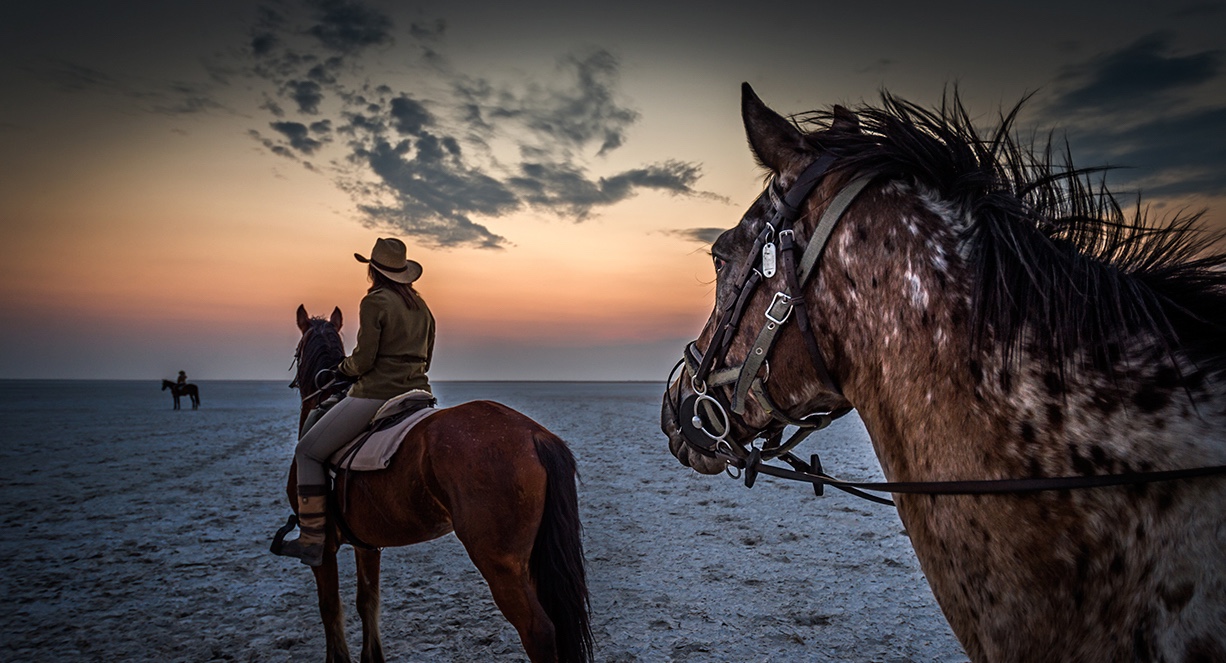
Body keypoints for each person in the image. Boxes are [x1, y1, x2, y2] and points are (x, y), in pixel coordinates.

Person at [275, 237, 436, 566]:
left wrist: (342, 368)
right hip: (418, 393)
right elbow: (427, 359)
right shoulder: (423, 308)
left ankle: (312, 537)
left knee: (307, 451)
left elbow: (362, 362)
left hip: (376, 394)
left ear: (372, 271)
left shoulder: (375, 301)